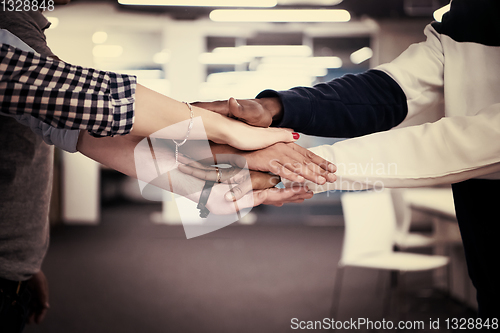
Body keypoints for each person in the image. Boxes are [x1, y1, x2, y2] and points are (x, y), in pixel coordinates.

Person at [0, 6, 337, 333]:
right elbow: (75, 97)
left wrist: (22, 259)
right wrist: (226, 131)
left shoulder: (23, 23)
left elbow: (72, 126)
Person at [194, 0, 500, 322]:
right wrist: (278, 107)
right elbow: (390, 91)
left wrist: (295, 165)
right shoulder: (467, 16)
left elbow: (480, 140)